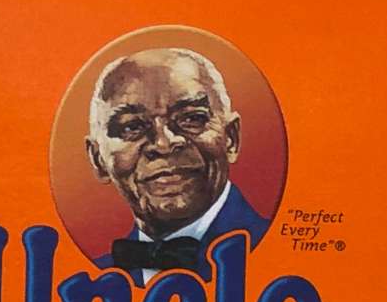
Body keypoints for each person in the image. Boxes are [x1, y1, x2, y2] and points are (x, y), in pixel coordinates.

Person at [84, 46, 269, 277]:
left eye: (191, 118)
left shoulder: (278, 254)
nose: (163, 144)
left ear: (231, 138)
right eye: (132, 127)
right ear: (98, 159)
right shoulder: (95, 277)